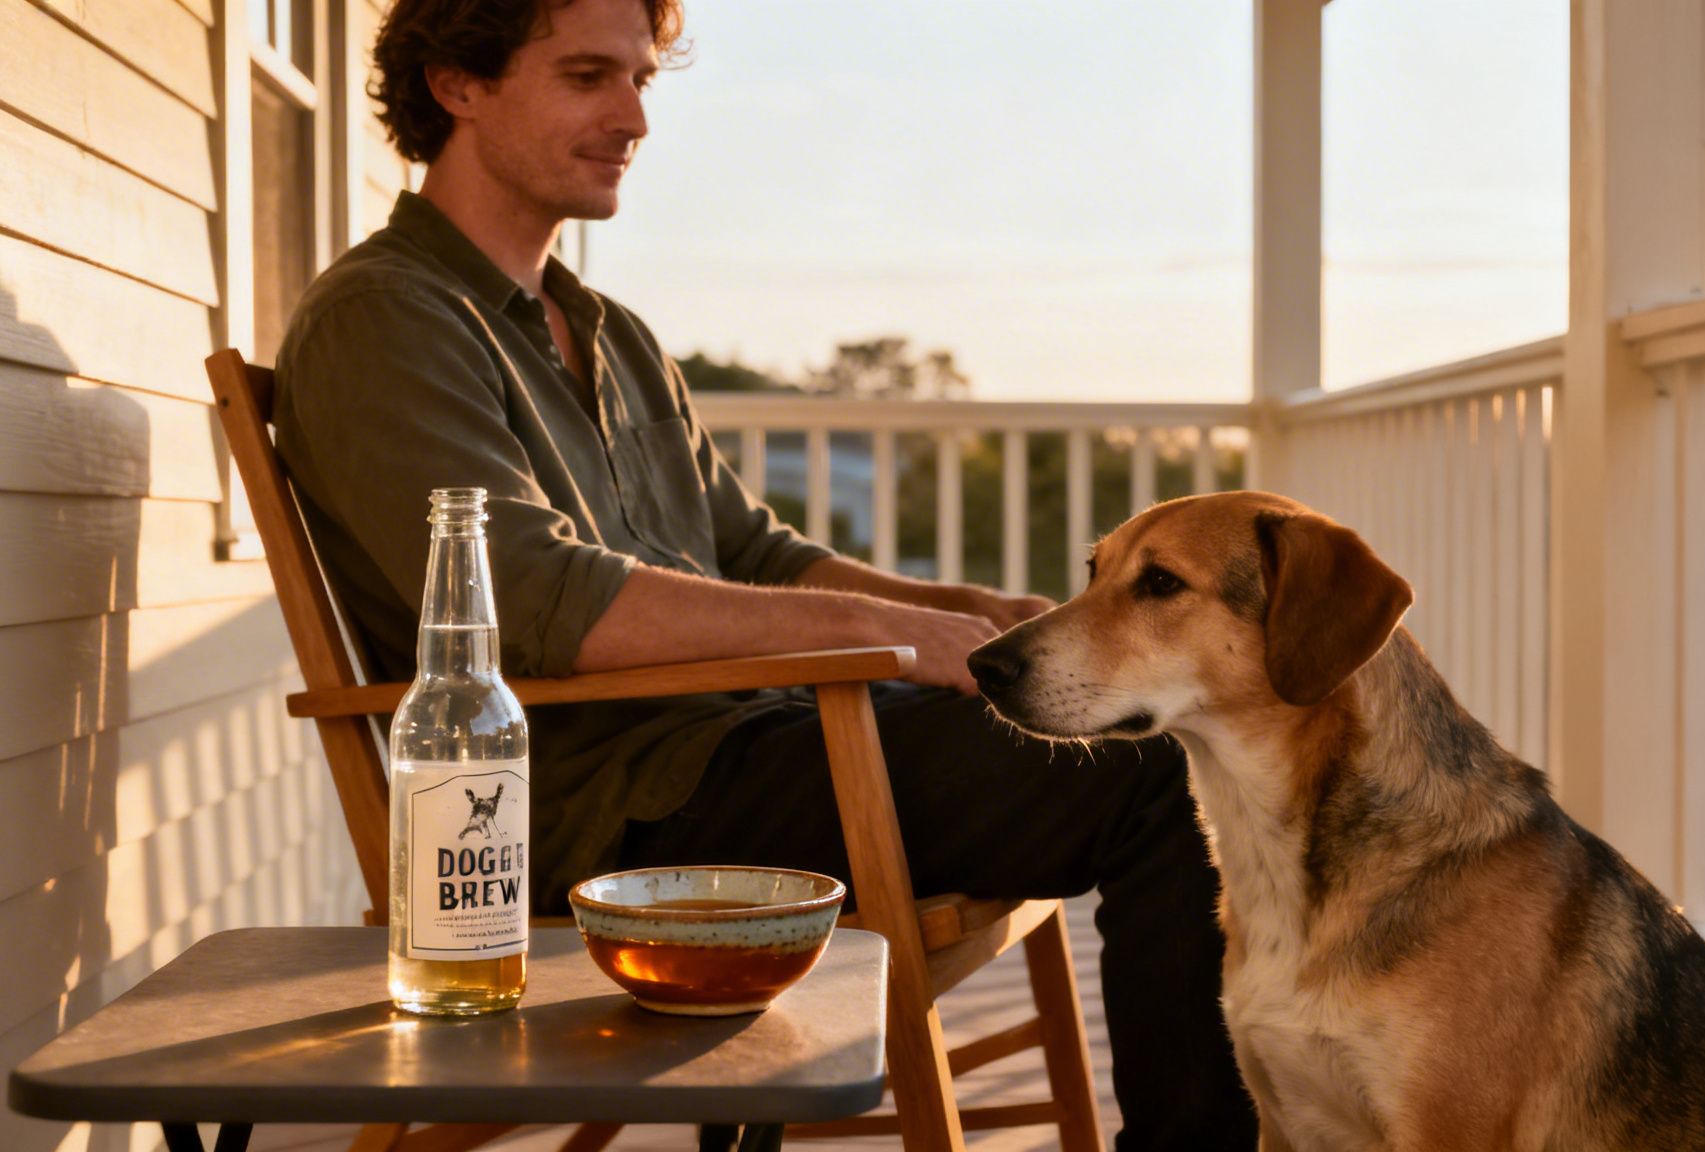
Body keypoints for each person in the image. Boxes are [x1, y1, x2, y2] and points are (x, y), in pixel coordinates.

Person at [274, 0, 1257, 1146]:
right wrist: (900, 644)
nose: (633, 115)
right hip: (615, 811)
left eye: (641, 78)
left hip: (759, 742)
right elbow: (544, 606)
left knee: (1161, 717)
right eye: (589, 76)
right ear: (458, 83)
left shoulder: (611, 335)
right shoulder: (387, 319)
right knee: (1150, 772)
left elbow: (753, 553)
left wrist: (957, 611)